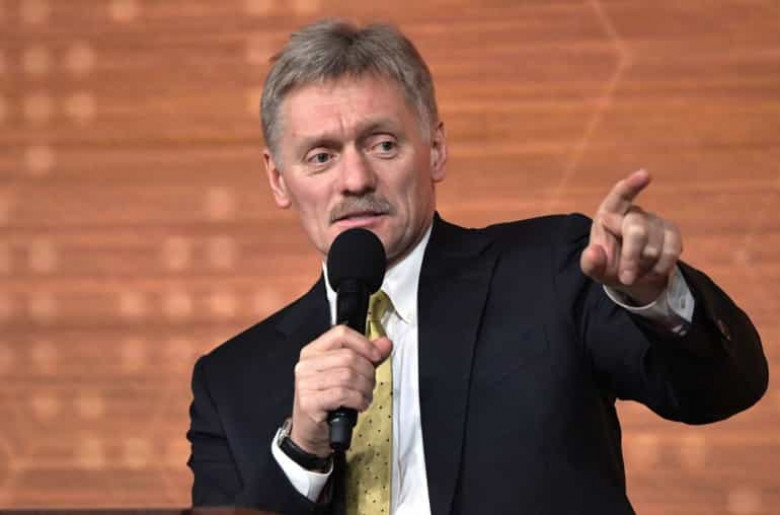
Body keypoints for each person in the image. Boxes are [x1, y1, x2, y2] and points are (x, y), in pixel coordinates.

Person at [186, 19, 768, 514]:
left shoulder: (553, 271)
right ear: (278, 180)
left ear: (435, 150)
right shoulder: (229, 382)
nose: (356, 179)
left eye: (383, 144)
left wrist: (656, 297)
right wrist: (302, 450)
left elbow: (722, 390)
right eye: (321, 156)